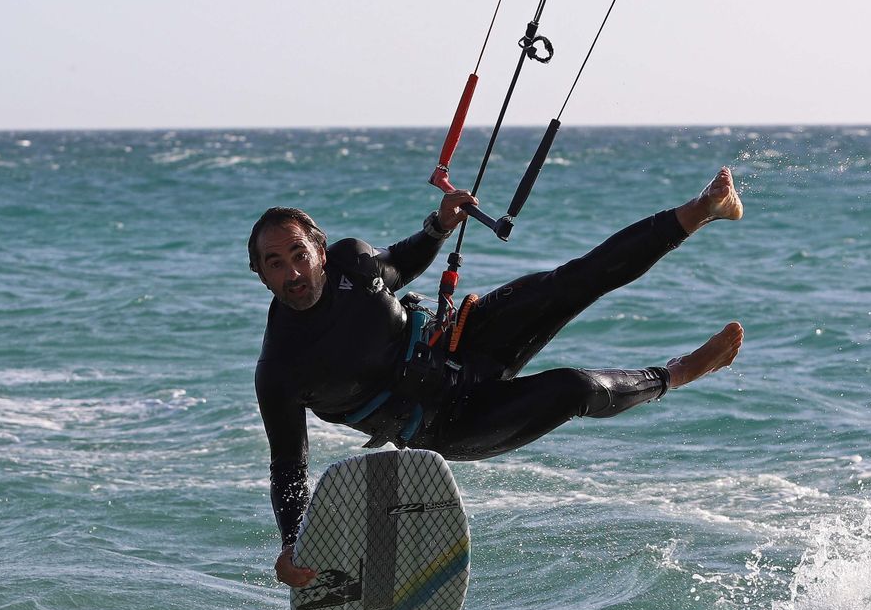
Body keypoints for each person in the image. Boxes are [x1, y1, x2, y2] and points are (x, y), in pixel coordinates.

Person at [253, 167, 746, 587]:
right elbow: (289, 469)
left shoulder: (353, 263)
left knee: (571, 281)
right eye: (276, 264)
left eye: (299, 254)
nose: (293, 273)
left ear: (319, 248)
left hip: (462, 343)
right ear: (261, 275)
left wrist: (439, 226)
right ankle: (675, 375)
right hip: (451, 422)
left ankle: (704, 208)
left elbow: (401, 263)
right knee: (573, 388)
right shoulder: (281, 370)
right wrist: (294, 540)